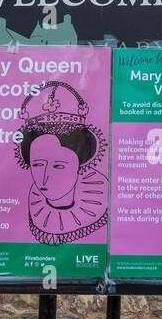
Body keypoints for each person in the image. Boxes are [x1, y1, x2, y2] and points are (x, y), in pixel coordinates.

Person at [15, 80, 108, 245]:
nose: (44, 178)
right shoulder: (34, 207)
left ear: (81, 162)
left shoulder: (99, 203)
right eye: (37, 164)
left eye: (58, 166)